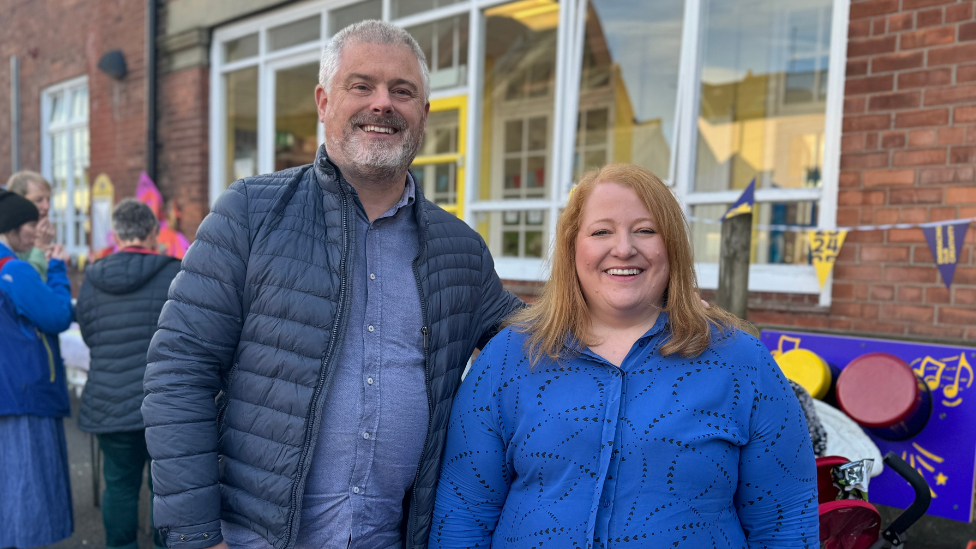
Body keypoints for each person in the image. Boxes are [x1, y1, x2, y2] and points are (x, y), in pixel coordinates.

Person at [142, 20, 522, 549]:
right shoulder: (250, 212)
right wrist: (197, 536)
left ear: (424, 115)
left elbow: (532, 336)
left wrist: (647, 315)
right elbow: (179, 371)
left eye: (402, 91)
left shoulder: (460, 248)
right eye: (361, 85)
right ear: (324, 101)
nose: (382, 104)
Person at [429, 164, 819, 548]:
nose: (623, 249)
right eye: (601, 232)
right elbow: (463, 512)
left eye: (646, 231)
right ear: (572, 247)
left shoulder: (740, 361)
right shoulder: (510, 357)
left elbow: (785, 522)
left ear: (673, 246)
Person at [76, 199, 177, 549]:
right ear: (153, 232)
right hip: (166, 404)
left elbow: (89, 334)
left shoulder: (91, 279)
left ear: (116, 235)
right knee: (166, 488)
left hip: (109, 401)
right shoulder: (176, 274)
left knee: (118, 485)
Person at [0, 189, 75, 548]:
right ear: (12, 227)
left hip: (6, 390)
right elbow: (57, 315)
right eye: (31, 223)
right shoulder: (12, 268)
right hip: (25, 392)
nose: (37, 231)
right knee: (28, 501)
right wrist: (57, 269)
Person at [6, 171, 58, 280]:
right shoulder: (8, 238)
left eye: (48, 200)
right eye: (39, 200)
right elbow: (25, 285)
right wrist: (40, 249)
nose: (47, 206)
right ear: (18, 201)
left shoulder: (43, 234)